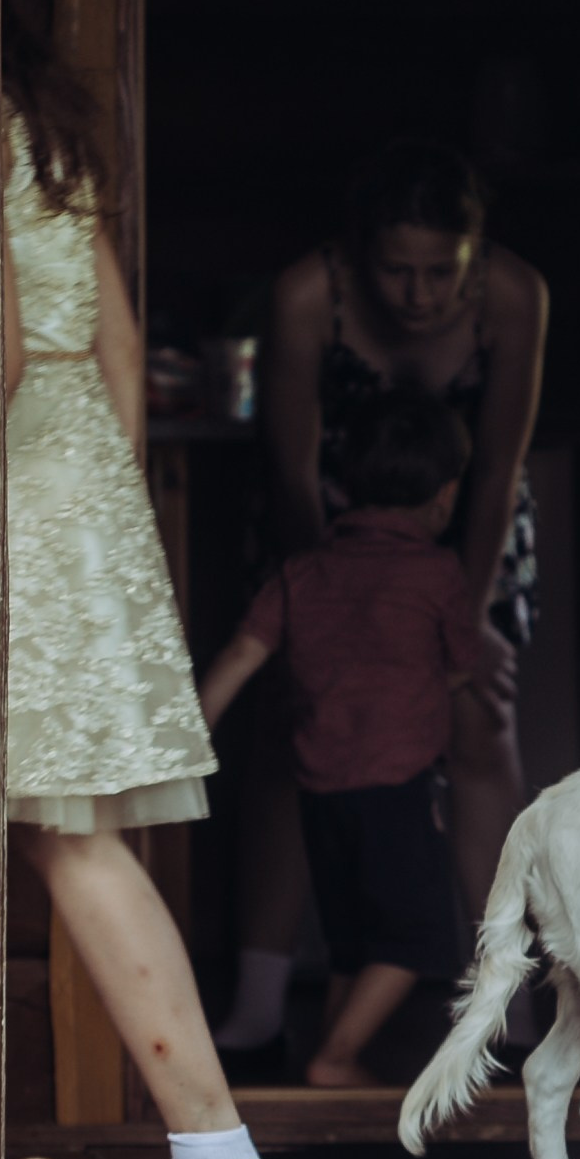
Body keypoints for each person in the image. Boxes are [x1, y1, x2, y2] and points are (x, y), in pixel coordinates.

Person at [0, 8, 271, 1159]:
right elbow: (111, 346)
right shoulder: (41, 138)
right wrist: (89, 511)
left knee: (62, 838)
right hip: (77, 482)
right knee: (57, 833)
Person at [211, 138, 547, 1051]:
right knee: (300, 733)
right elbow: (289, 470)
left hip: (462, 541)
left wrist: (458, 620)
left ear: (475, 259)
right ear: (360, 254)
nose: (418, 293)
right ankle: (257, 1001)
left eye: (442, 272)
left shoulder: (516, 298)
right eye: (396, 270)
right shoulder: (305, 296)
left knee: (481, 727)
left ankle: (505, 1001)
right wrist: (333, 616)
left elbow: (495, 473)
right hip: (323, 537)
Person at [200, 389, 481, 1088]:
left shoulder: (301, 573)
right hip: (399, 783)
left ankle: (332, 1052)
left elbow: (239, 656)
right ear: (445, 497)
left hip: (319, 790)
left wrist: (185, 744)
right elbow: (459, 670)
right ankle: (334, 1060)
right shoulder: (438, 573)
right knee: (418, 938)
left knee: (354, 940)